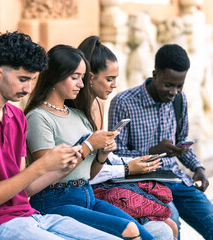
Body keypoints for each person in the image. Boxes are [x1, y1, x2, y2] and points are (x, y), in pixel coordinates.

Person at [0, 31, 123, 240]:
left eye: (32, 80)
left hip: (27, 216)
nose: (28, 89)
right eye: (22, 79)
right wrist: (43, 165)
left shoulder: (16, 116)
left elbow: (24, 189)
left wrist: (65, 161)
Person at [24, 44, 155, 240]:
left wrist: (102, 153)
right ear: (55, 76)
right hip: (54, 201)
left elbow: (89, 173)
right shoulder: (38, 117)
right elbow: (48, 173)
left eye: (82, 78)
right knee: (130, 232)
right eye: (74, 77)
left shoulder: (78, 115)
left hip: (87, 195)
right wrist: (89, 145)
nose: (81, 84)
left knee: (147, 236)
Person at [108, 43, 213, 240]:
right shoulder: (123, 102)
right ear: (155, 74)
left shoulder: (179, 100)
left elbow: (182, 142)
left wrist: (198, 167)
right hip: (142, 183)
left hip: (175, 179)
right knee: (172, 222)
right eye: (168, 85)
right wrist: (152, 151)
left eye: (179, 86)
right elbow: (115, 156)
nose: (173, 92)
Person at [77, 35, 178, 240]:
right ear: (90, 78)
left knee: (170, 220)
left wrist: (133, 162)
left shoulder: (98, 104)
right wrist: (127, 168)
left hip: (107, 178)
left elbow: (103, 155)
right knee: (166, 226)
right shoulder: (75, 111)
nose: (114, 85)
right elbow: (85, 170)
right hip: (91, 188)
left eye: (116, 78)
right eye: (109, 79)